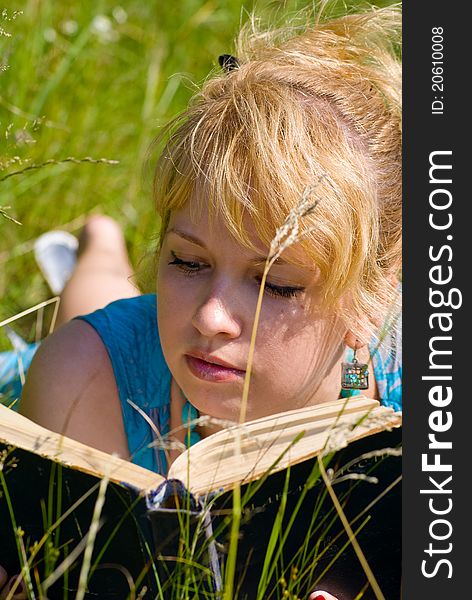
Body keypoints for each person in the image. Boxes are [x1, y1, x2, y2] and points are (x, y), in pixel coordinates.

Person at [4, 4, 402, 598]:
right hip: (124, 353)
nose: (212, 317)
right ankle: (100, 242)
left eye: (276, 284)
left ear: (372, 302)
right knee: (95, 300)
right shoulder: (83, 379)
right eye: (187, 261)